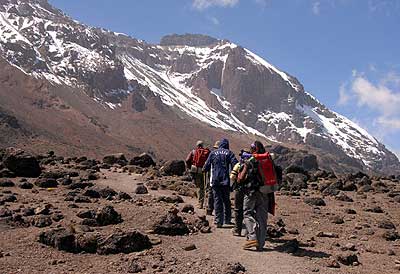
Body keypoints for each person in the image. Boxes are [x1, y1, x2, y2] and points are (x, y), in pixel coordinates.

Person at [239, 141, 278, 251]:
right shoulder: (268, 159)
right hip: (265, 192)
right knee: (262, 217)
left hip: (251, 192)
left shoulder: (250, 160)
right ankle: (260, 245)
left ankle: (252, 237)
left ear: (253, 149)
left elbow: (241, 178)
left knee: (247, 213)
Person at [203, 138, 238, 228]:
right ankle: (227, 219)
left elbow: (206, 166)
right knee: (226, 200)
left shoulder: (213, 153)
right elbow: (236, 165)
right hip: (226, 181)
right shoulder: (229, 153)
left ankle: (218, 221)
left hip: (215, 180)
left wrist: (204, 170)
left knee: (217, 200)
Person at [230, 150, 252, 236]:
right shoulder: (252, 164)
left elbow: (232, 177)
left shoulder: (239, 165)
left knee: (238, 209)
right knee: (249, 211)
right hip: (250, 190)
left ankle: (237, 230)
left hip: (239, 189)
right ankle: (248, 231)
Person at [185, 140, 210, 209]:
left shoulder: (193, 152)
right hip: (204, 171)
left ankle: (200, 203)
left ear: (197, 145)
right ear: (202, 145)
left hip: (195, 170)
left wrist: (189, 167)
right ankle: (205, 203)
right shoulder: (206, 152)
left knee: (199, 187)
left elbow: (187, 160)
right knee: (204, 186)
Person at [205, 140, 220, 216]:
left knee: (211, 193)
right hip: (222, 180)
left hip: (213, 178)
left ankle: (209, 210)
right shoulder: (225, 155)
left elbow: (207, 165)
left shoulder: (212, 154)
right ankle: (219, 213)